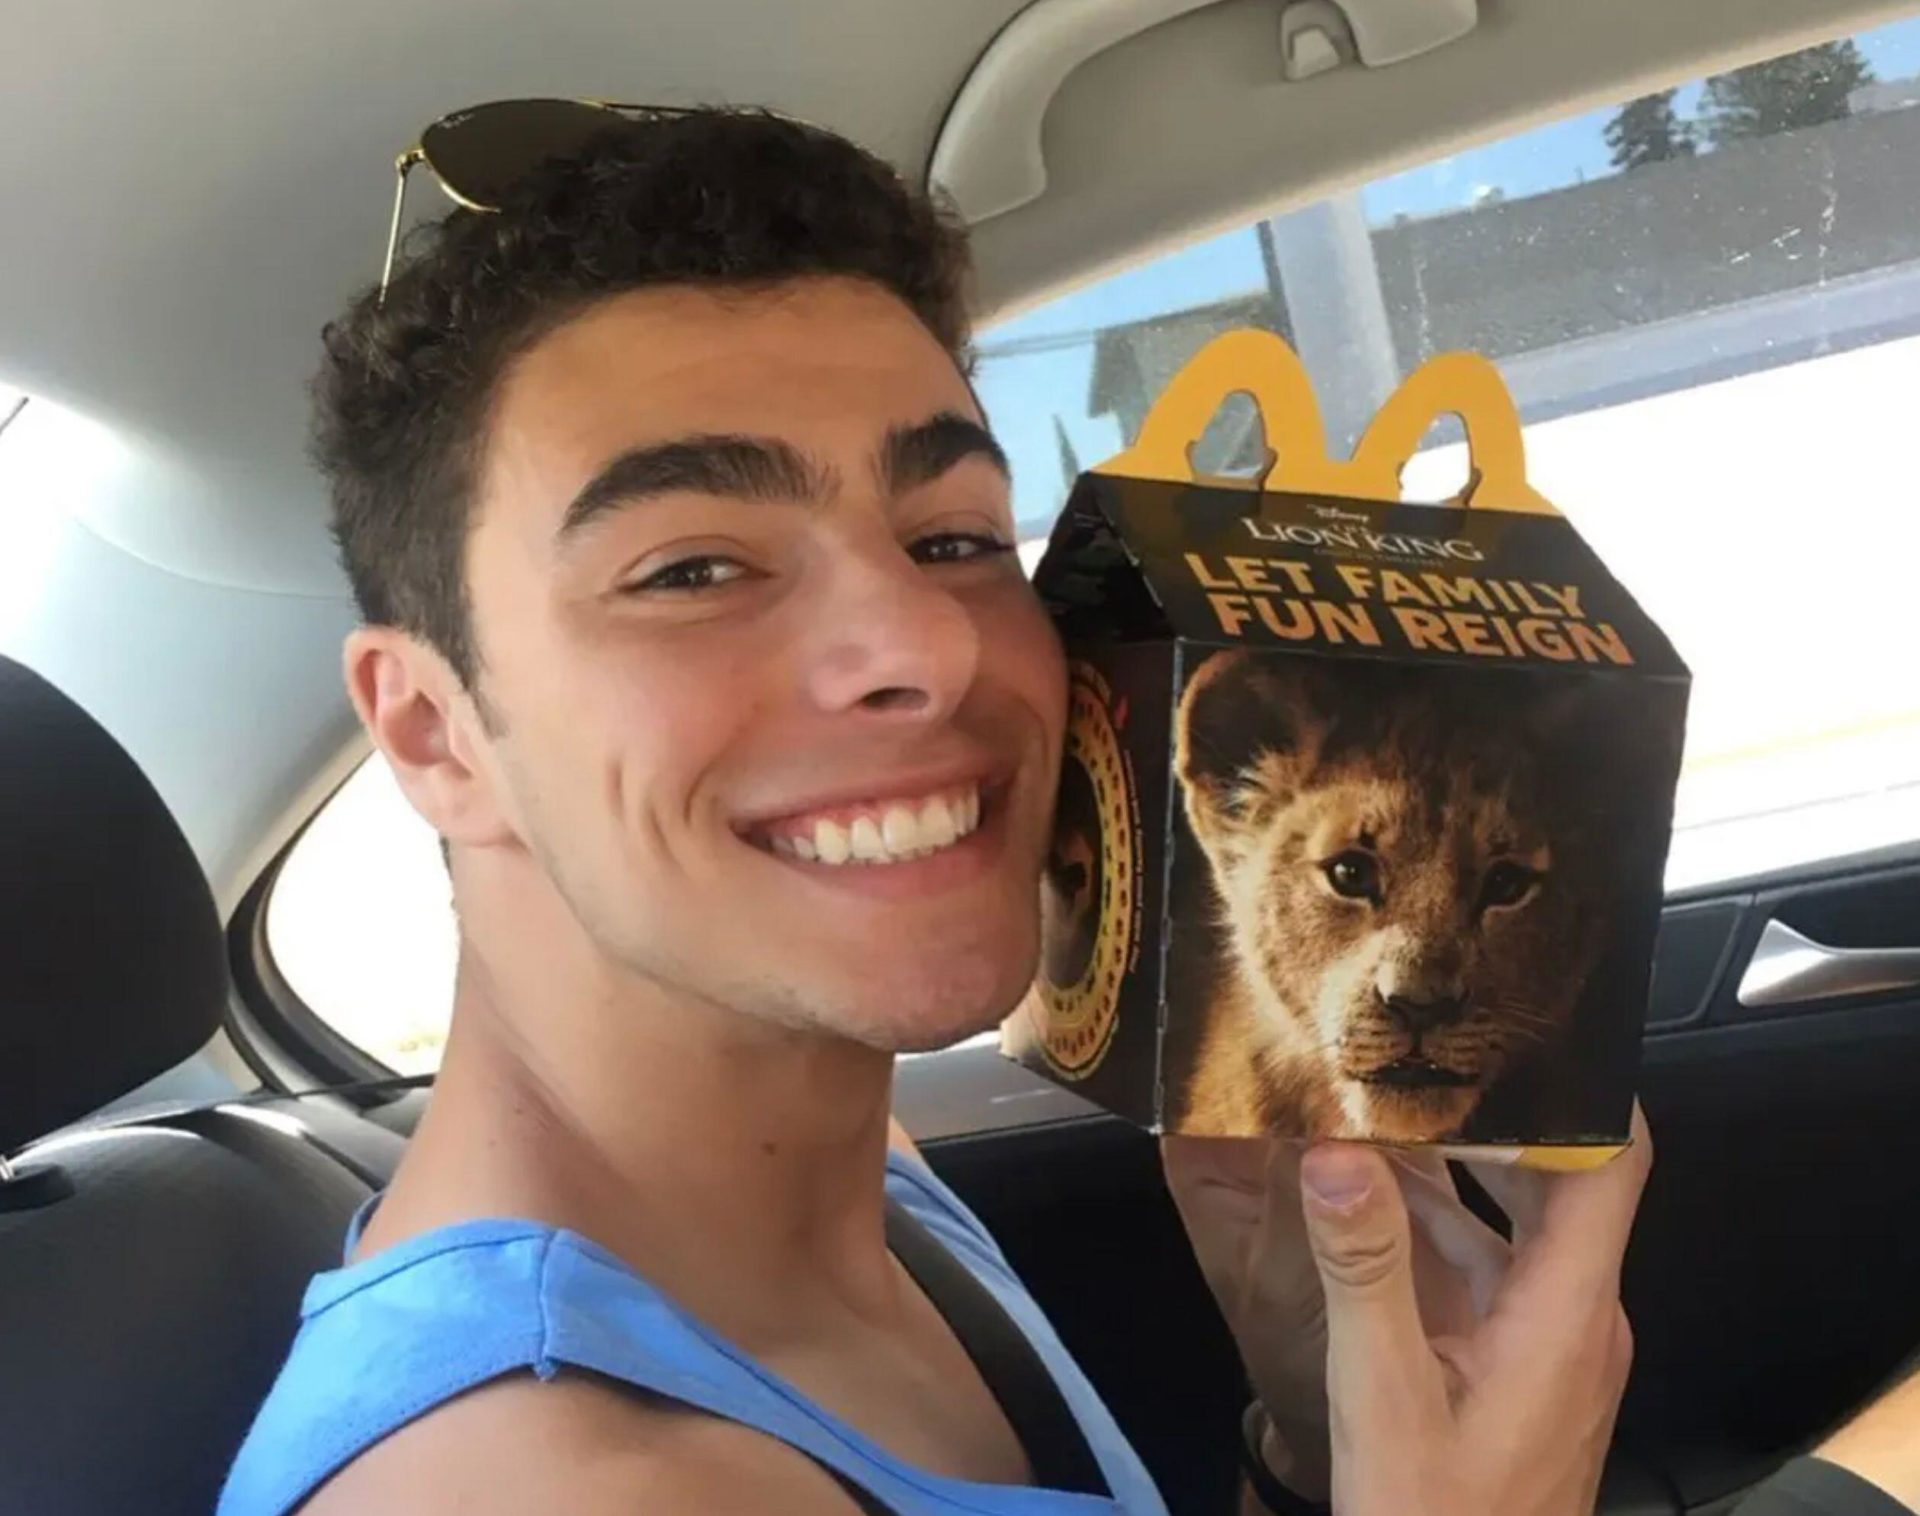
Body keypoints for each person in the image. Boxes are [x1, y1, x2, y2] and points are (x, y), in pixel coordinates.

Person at [216, 106, 1914, 1516]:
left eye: (951, 531)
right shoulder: (542, 1485)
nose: (920, 644)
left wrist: (1318, 1457)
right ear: (436, 734)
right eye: (694, 567)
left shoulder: (845, 1180)